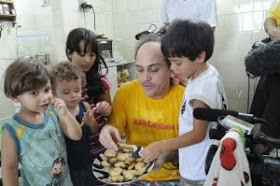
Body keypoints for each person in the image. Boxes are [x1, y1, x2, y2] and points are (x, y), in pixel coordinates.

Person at [141, 19, 228, 186]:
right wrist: (186, 82)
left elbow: (197, 134)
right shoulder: (208, 73)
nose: (173, 68)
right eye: (170, 62)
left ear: (200, 56)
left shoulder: (200, 93)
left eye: (178, 62)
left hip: (198, 172)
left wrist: (161, 146)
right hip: (207, 163)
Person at [99, 34, 185, 186]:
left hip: (171, 178)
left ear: (170, 69)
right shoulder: (125, 92)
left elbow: (192, 153)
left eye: (153, 70)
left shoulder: (185, 99)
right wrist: (107, 130)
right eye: (140, 70)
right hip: (133, 178)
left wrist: (169, 153)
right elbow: (114, 129)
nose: (145, 78)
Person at [1, 57, 82, 185]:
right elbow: (9, 169)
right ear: (14, 96)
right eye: (34, 93)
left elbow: (76, 135)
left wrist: (65, 114)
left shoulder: (52, 113)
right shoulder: (12, 130)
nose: (45, 97)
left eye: (47, 90)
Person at [66, 28, 112, 160]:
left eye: (92, 55)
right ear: (69, 53)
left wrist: (106, 109)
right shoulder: (61, 84)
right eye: (81, 54)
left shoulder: (100, 82)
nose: (87, 60)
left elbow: (111, 116)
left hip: (100, 146)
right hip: (75, 151)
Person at [50, 62, 98, 186]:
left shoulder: (85, 106)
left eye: (77, 90)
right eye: (66, 92)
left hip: (87, 162)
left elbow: (95, 130)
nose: (73, 95)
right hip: (68, 168)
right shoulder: (56, 114)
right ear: (54, 93)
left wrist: (91, 121)